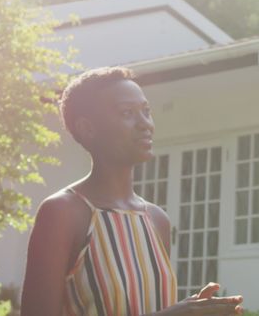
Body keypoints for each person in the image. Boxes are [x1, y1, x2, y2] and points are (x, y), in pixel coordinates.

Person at [21, 67, 244, 315]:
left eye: (146, 112)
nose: (145, 124)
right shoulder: (64, 212)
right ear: (87, 128)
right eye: (127, 113)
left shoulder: (156, 219)